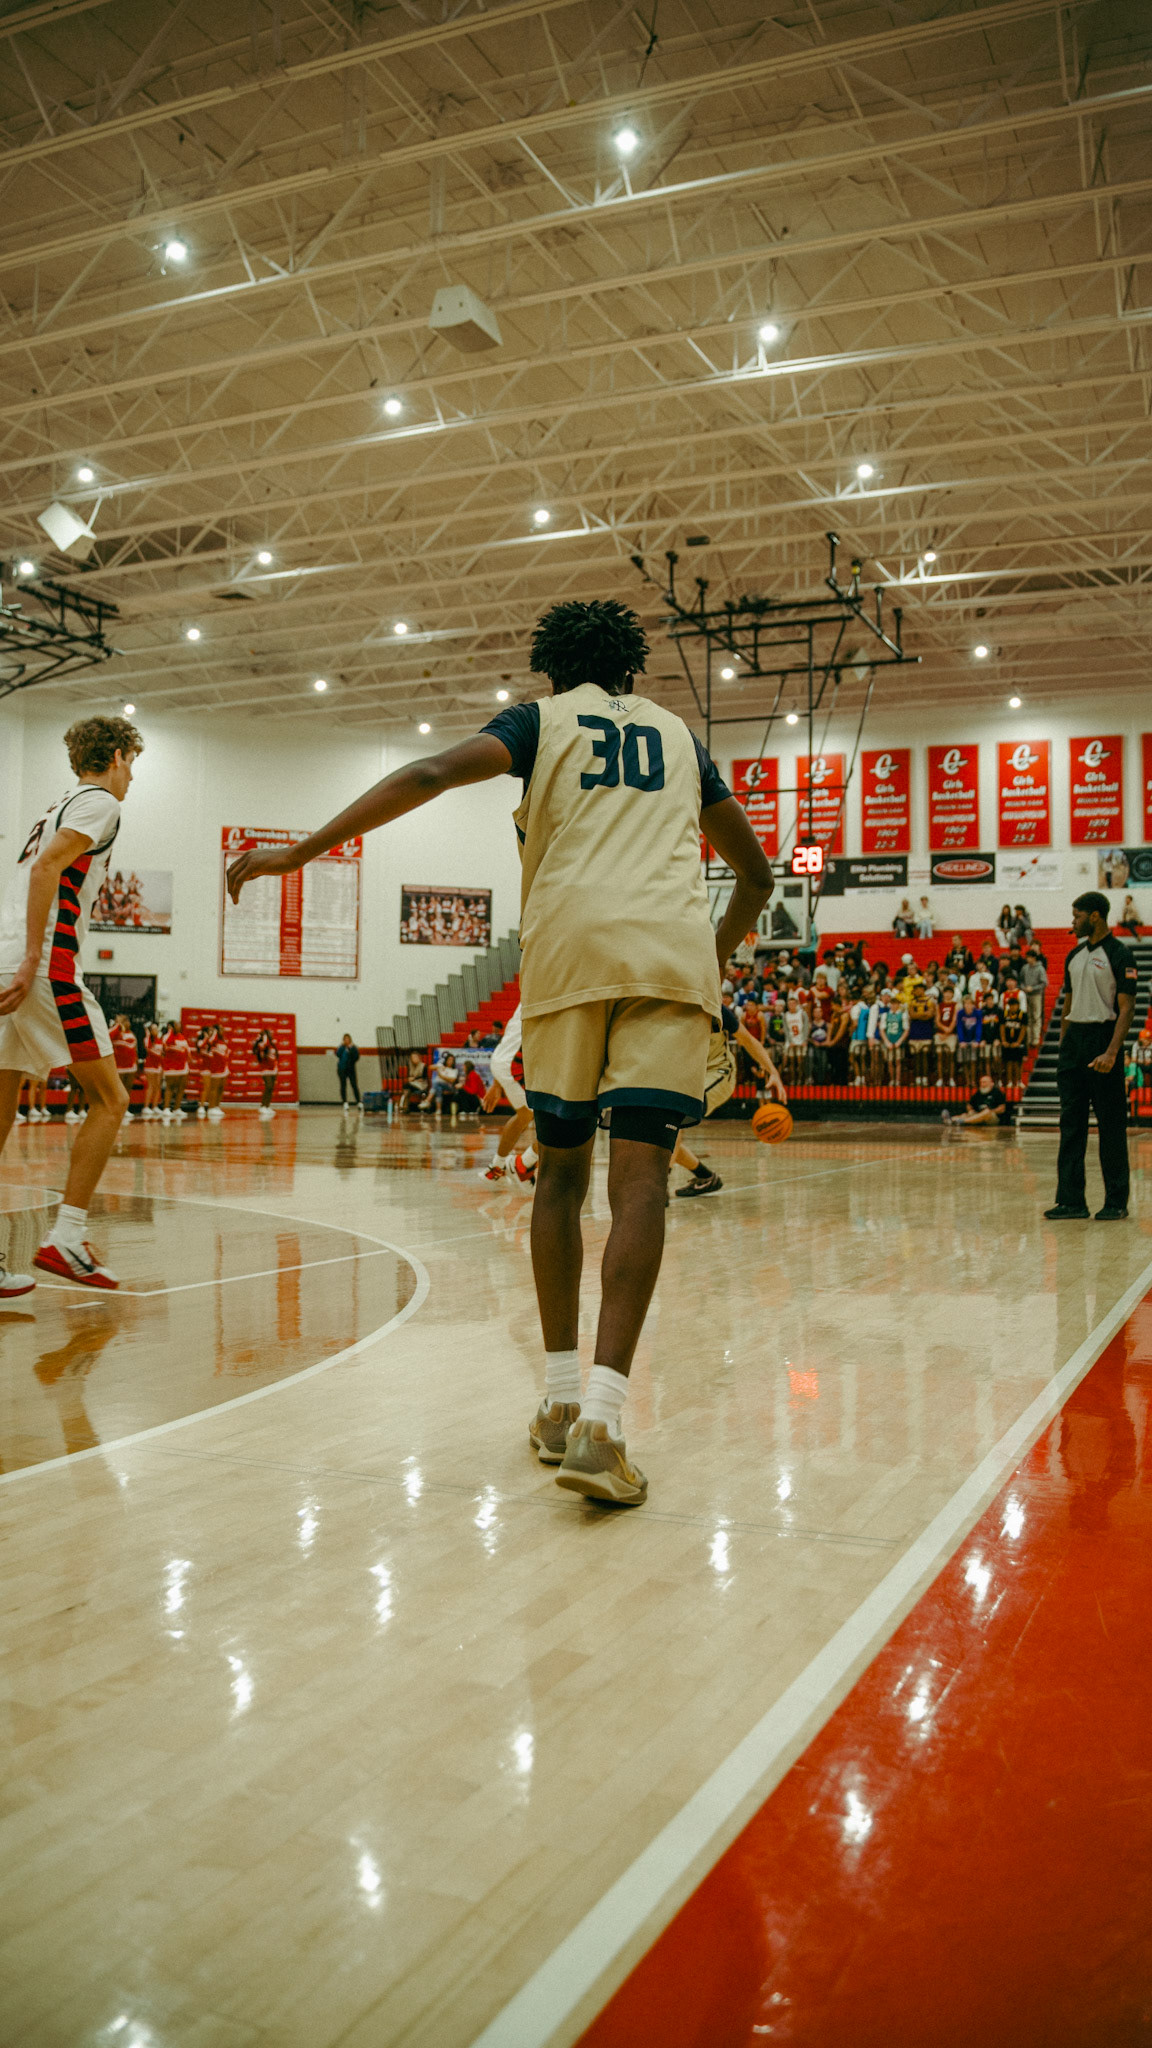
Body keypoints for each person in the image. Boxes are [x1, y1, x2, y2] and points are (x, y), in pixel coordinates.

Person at [226, 595, 772, 1507]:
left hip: (568, 957)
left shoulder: (539, 721)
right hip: (670, 962)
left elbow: (431, 772)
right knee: (641, 1182)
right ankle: (604, 1425)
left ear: (551, 671)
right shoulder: (683, 738)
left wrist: (300, 854)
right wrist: (706, 968)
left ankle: (558, 1404)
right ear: (631, 668)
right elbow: (755, 874)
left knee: (560, 1177)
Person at [0, 714, 142, 1296]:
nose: (132, 777)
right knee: (111, 1099)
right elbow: (46, 869)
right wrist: (36, 956)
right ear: (116, 756)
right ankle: (68, 1237)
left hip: (4, 959)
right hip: (42, 967)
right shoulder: (99, 803)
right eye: (132, 763)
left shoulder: (54, 807)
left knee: (1, 1110)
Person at [1046, 891, 1137, 1222]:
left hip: (1103, 1039)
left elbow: (1127, 1008)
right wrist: (1064, 1045)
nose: (1073, 922)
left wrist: (1111, 1052)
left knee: (1111, 1126)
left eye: (1077, 916)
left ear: (1095, 916)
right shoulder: (1074, 955)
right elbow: (1068, 1004)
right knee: (1071, 1125)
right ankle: (1071, 1201)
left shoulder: (1120, 954)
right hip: (1074, 1042)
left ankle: (1115, 1201)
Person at [671, 1001, 785, 1196]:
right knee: (659, 1131)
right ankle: (706, 1177)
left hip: (719, 1072)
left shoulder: (714, 1007)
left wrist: (773, 1071)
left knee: (674, 1115)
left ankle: (660, 1184)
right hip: (688, 1076)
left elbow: (748, 1040)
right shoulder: (666, 1006)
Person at [479, 1003, 538, 1186]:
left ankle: (496, 1167)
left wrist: (497, 1081)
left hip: (505, 1060)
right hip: (513, 1065)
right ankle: (523, 1165)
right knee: (558, 1121)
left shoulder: (528, 992)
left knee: (525, 1115)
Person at [942, 1073, 1011, 1127]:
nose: (982, 1084)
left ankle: (963, 1121)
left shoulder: (997, 1092)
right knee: (966, 1114)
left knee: (986, 1112)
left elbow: (1002, 1109)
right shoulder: (978, 1093)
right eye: (981, 1082)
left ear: (991, 1083)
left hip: (993, 1117)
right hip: (978, 1115)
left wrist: (990, 1111)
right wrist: (971, 1111)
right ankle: (951, 1120)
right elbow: (969, 1105)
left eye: (985, 1082)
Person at [109, 1013, 139, 1122]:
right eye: (124, 1020)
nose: (127, 1023)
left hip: (131, 1066)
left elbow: (135, 1050)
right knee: (118, 1089)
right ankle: (116, 1109)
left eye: (127, 1021)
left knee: (128, 1088)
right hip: (119, 1066)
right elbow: (108, 1036)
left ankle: (125, 1109)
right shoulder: (115, 1032)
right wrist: (118, 1025)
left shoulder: (131, 1034)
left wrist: (136, 1063)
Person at [197, 1022, 229, 1120]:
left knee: (221, 1088)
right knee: (212, 1088)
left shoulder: (222, 1041)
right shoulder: (212, 1039)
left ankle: (216, 1106)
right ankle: (210, 1107)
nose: (223, 1030)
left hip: (223, 1067)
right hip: (214, 1068)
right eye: (221, 1029)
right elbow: (204, 1044)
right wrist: (213, 1033)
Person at [161, 1020, 191, 1120]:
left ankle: (177, 1108)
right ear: (171, 1027)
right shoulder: (167, 1036)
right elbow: (166, 1043)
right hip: (171, 1067)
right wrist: (170, 1031)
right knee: (170, 1087)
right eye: (177, 1025)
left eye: (179, 1024)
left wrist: (188, 1058)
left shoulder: (182, 1037)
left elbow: (187, 1049)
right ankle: (166, 1108)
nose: (179, 1026)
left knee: (181, 1088)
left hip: (183, 1067)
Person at [1021, 945, 1048, 1046]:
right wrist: (1024, 987)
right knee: (1028, 1017)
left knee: (1036, 1016)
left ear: (1034, 958)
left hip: (1036, 995)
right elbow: (1021, 980)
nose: (1028, 959)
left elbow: (1044, 983)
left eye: (1029, 957)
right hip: (1026, 994)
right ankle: (1028, 1038)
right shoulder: (1025, 968)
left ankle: (1036, 1038)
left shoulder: (1040, 968)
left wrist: (1033, 988)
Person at [934, 977, 959, 1086]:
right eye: (946, 993)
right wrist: (944, 1030)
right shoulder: (939, 1005)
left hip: (951, 1033)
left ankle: (951, 1078)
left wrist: (948, 1031)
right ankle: (940, 1078)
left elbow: (954, 1019)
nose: (947, 995)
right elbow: (937, 1020)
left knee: (950, 1057)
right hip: (940, 1032)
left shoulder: (955, 1005)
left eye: (950, 993)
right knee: (940, 1057)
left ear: (952, 994)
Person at [1000, 996, 1028, 1089]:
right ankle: (1009, 1081)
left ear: (1018, 1005)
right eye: (1011, 1005)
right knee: (1008, 1062)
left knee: (1017, 1062)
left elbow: (1023, 1029)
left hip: (1018, 1042)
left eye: (1015, 1005)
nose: (1013, 1007)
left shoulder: (1022, 1015)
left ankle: (1019, 1081)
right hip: (1008, 1041)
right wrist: (1003, 1040)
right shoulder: (1004, 1014)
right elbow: (1002, 1027)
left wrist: (1018, 1042)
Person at [251, 1028, 278, 1118]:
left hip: (273, 1068)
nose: (271, 1034)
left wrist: (276, 1067)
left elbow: (275, 1057)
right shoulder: (261, 1044)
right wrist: (264, 1036)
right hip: (265, 1068)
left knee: (271, 1088)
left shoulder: (272, 1045)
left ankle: (267, 1106)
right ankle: (262, 1106)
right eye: (268, 1034)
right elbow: (264, 1046)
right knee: (268, 1086)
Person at [141, 1022, 164, 1117]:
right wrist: (147, 1033)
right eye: (154, 1029)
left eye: (157, 1029)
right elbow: (147, 1048)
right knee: (150, 1086)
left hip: (159, 1066)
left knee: (157, 1086)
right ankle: (146, 1107)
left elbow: (162, 1053)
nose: (156, 1030)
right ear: (150, 1031)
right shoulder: (148, 1039)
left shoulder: (160, 1040)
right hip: (150, 1066)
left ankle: (155, 1106)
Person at [335, 1033, 360, 1108]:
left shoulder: (353, 1048)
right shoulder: (342, 1047)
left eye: (348, 1039)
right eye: (345, 1039)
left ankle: (358, 1101)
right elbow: (337, 1054)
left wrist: (351, 1049)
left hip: (351, 1069)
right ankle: (345, 1102)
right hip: (342, 1069)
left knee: (354, 1085)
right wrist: (342, 1047)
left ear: (350, 1040)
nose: (346, 1040)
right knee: (343, 1085)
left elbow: (356, 1057)